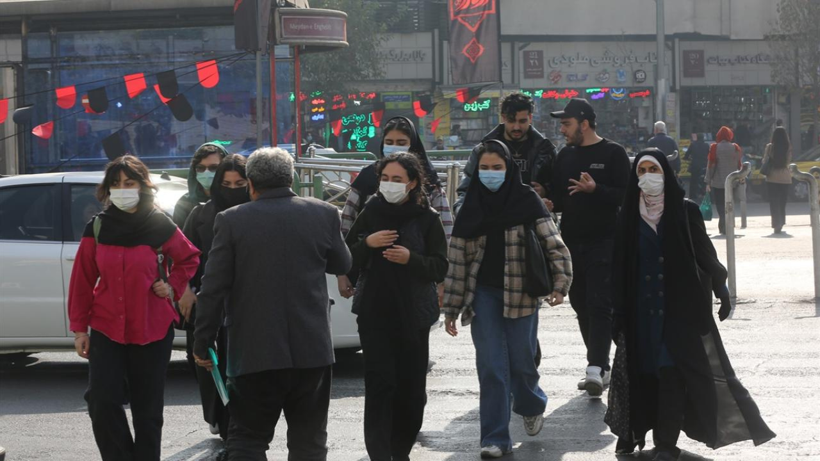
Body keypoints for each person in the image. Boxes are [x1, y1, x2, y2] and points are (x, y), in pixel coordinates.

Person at [606, 149, 775, 461]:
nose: (647, 177)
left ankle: (666, 445)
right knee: (647, 376)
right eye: (641, 171)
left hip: (679, 311)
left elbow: (704, 253)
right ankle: (650, 437)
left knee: (672, 373)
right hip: (641, 316)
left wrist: (721, 287)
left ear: (666, 173)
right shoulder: (628, 214)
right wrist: (617, 312)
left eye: (653, 170)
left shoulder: (685, 211)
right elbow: (619, 266)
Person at [193, 147, 352, 460]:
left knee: (248, 441)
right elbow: (342, 262)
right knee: (309, 443)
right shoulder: (323, 213)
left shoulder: (231, 221)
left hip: (254, 353)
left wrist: (202, 341)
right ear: (290, 177)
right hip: (311, 351)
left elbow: (212, 288)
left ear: (251, 184)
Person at [442, 140, 572, 459]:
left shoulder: (526, 200)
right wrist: (451, 308)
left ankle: (530, 404)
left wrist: (560, 283)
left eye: (496, 168)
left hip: (523, 293)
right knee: (491, 366)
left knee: (521, 361)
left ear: (508, 169)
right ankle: (495, 437)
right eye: (484, 168)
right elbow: (457, 261)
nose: (490, 174)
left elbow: (553, 243)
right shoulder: (470, 206)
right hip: (482, 295)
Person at [68, 155, 200, 461]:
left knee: (148, 411)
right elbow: (82, 283)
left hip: (152, 327)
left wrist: (171, 286)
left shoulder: (159, 224)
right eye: (116, 184)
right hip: (106, 328)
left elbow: (189, 258)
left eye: (129, 183)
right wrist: (79, 331)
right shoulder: (98, 228)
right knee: (101, 402)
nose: (122, 190)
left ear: (142, 186)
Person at [346, 153, 449, 461]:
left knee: (411, 388)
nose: (389, 185)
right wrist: (368, 244)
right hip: (374, 311)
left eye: (397, 179)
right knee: (379, 384)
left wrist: (411, 260)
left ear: (413, 182)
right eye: (385, 179)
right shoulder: (370, 211)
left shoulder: (427, 218)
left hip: (414, 315)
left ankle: (400, 450)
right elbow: (346, 257)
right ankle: (379, 453)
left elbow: (440, 267)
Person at [549, 98, 631, 396]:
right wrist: (546, 201)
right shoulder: (564, 156)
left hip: (605, 240)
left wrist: (597, 189)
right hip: (570, 242)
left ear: (584, 124)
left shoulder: (613, 153)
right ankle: (602, 367)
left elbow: (626, 195)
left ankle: (595, 367)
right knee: (580, 303)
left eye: (567, 124)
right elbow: (561, 198)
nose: (562, 129)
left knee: (599, 303)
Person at [339, 117, 452, 298]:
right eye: (389, 142)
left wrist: (442, 280)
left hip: (417, 285)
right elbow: (347, 227)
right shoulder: (367, 180)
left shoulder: (430, 185)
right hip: (371, 280)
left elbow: (445, 237)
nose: (395, 147)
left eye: (402, 143)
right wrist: (343, 272)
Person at [181, 154, 251, 440]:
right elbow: (182, 257)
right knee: (210, 367)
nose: (232, 189)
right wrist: (185, 288)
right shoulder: (200, 214)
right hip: (209, 305)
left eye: (240, 183)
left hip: (247, 307)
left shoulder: (258, 213)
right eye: (226, 183)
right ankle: (219, 421)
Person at [454, 92, 557, 214]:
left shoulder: (545, 150)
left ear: (530, 117)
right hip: (493, 216)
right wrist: (463, 212)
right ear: (503, 117)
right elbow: (466, 188)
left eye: (522, 121)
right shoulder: (484, 149)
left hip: (533, 217)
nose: (516, 127)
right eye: (511, 121)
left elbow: (560, 188)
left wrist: (546, 191)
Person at [173, 142, 229, 227]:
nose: (206, 173)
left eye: (213, 167)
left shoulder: (232, 198)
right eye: (200, 168)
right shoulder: (184, 203)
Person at [706, 126, 742, 235]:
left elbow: (710, 166)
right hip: (732, 182)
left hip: (718, 181)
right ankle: (728, 224)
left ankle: (723, 224)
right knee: (730, 203)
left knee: (720, 204)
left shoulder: (714, 147)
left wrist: (708, 181)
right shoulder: (735, 147)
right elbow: (739, 164)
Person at [763, 127, 793, 234]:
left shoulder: (770, 147)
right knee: (782, 202)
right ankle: (782, 221)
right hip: (785, 177)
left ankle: (776, 223)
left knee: (773, 202)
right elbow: (788, 161)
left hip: (772, 177)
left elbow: (765, 160)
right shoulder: (788, 147)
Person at [684, 132, 709, 203]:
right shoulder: (706, 145)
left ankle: (692, 196)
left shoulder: (693, 144)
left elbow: (687, 155)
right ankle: (703, 194)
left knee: (693, 181)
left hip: (695, 166)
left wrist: (686, 158)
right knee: (704, 180)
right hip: (704, 165)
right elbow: (709, 154)